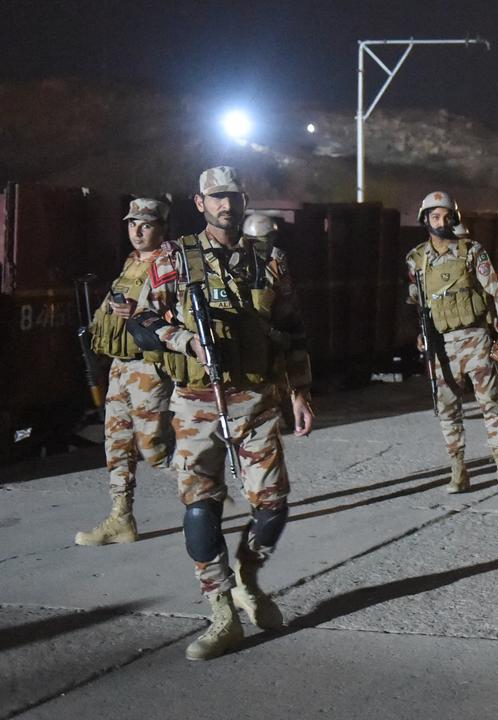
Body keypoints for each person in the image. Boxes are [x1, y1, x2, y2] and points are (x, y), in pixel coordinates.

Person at [126, 167, 316, 660]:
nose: (225, 205)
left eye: (232, 196)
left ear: (244, 199)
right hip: (194, 403)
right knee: (200, 505)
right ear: (200, 202)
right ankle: (220, 609)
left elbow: (292, 328)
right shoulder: (176, 258)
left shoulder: (269, 260)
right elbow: (143, 322)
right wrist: (184, 339)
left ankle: (247, 581)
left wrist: (300, 391)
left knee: (272, 504)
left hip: (256, 399)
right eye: (215, 197)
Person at [406, 191, 498, 492]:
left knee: (491, 405)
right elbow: (417, 303)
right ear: (425, 220)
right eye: (434, 217)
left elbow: (495, 292)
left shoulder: (472, 251)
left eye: (446, 217)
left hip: (475, 339)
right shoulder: (416, 260)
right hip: (442, 345)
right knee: (448, 411)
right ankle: (458, 469)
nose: (441, 222)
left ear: (454, 219)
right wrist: (419, 334)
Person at [74, 198, 176, 546]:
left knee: (154, 447)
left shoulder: (170, 263)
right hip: (121, 367)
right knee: (116, 443)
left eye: (146, 224)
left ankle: (205, 492)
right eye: (133, 223)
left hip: (150, 368)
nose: (137, 230)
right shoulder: (131, 263)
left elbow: (177, 316)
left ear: (161, 227)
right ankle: (121, 518)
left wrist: (141, 311)